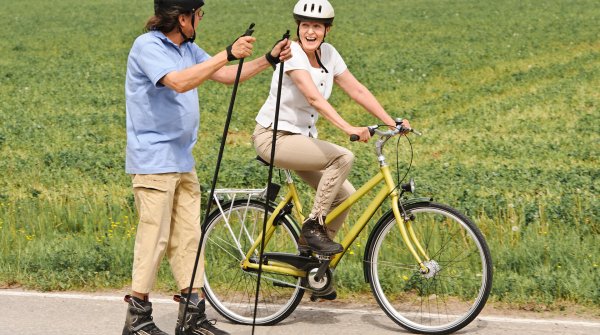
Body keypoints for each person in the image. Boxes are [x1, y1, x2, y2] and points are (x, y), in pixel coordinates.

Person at [123, 1, 291, 334]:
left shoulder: (187, 47)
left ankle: (192, 317)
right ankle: (137, 320)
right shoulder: (148, 46)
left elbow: (227, 75)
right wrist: (225, 53)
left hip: (183, 160)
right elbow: (179, 82)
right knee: (154, 238)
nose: (200, 19)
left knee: (189, 238)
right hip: (153, 161)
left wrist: (268, 59)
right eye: (198, 14)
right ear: (181, 17)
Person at [253, 0, 410, 260]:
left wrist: (392, 122)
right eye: (305, 25)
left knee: (344, 195)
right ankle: (313, 226)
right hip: (273, 138)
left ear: (327, 29)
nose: (310, 32)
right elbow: (314, 98)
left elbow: (357, 89)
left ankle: (312, 263)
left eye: (317, 26)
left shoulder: (329, 54)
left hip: (301, 141)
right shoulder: (291, 52)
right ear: (298, 28)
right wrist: (349, 128)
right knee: (342, 157)